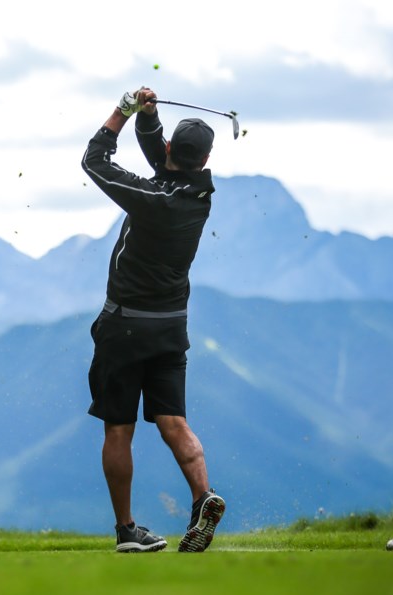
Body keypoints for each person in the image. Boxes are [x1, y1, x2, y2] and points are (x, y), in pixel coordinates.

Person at [81, 87, 226, 553]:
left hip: (124, 328)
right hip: (170, 329)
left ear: (170, 153)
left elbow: (95, 162)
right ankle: (203, 497)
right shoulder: (198, 194)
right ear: (205, 159)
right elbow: (164, 160)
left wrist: (122, 112)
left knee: (118, 428)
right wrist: (150, 116)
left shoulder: (151, 197)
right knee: (173, 422)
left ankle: (126, 531)